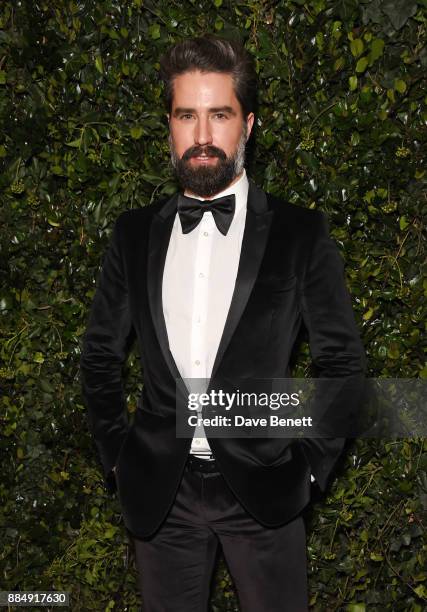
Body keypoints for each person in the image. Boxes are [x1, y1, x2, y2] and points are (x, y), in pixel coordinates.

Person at [80, 35, 366, 612]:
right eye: (187, 115)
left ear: (249, 124)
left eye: (220, 115)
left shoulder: (299, 233)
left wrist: (310, 471)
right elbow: (99, 355)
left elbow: (342, 363)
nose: (203, 136)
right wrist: (117, 457)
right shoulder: (132, 236)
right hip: (162, 493)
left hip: (265, 489)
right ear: (170, 124)